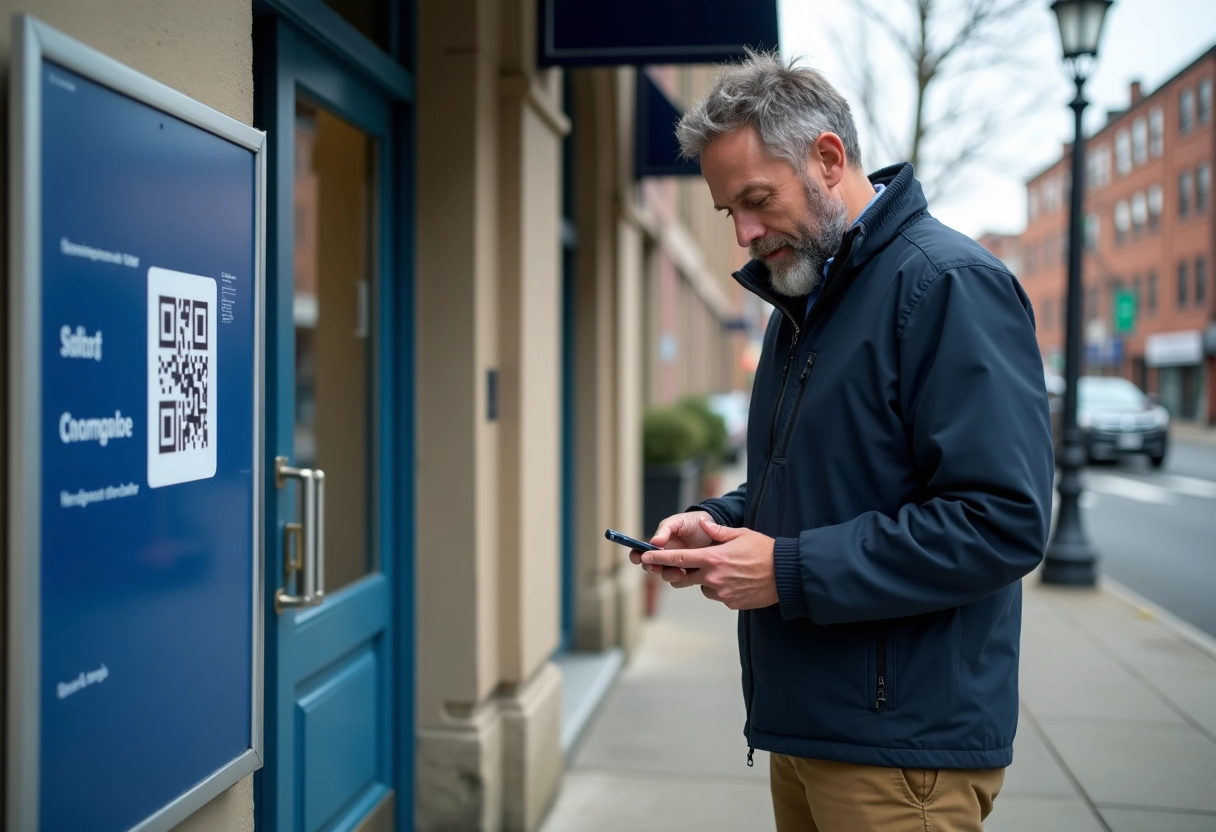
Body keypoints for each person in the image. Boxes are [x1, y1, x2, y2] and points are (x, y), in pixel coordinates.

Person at [631, 52, 1054, 832]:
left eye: (757, 199)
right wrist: (719, 522)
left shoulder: (945, 285)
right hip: (812, 727)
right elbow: (819, 482)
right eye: (730, 212)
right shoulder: (805, 298)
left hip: (900, 756)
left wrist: (785, 572)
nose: (746, 232)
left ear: (828, 158)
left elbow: (1002, 521)